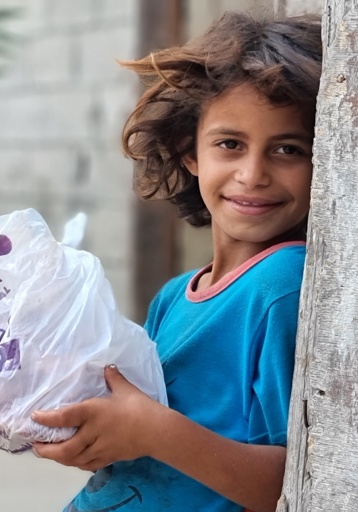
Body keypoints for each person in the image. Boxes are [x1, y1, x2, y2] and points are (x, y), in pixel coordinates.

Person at [31, 11, 322, 512]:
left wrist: (152, 430)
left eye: (288, 149)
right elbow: (140, 432)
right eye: (230, 144)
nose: (252, 174)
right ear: (190, 151)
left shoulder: (282, 286)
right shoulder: (174, 297)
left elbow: (295, 485)